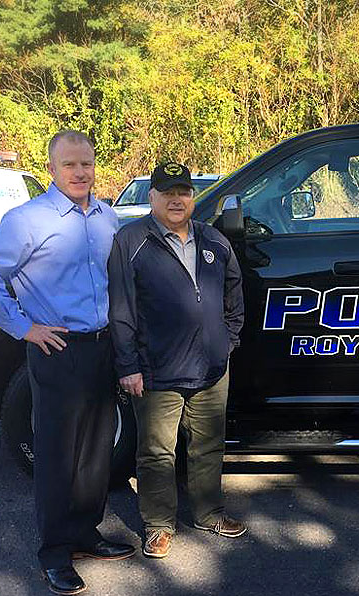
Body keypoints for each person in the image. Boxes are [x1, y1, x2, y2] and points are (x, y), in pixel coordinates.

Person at [0, 130, 135, 596]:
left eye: (87, 164)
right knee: (58, 455)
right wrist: (23, 328)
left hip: (102, 346)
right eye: (69, 165)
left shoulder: (106, 217)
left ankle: (84, 534)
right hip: (56, 349)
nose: (80, 172)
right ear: (52, 169)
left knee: (96, 449)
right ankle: (54, 553)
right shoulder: (28, 220)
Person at [108, 161, 245, 559]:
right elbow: (120, 309)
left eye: (183, 192)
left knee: (208, 446)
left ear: (191, 196)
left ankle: (209, 512)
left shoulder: (214, 241)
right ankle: (158, 525)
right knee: (155, 453)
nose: (176, 199)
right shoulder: (130, 241)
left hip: (211, 368)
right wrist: (128, 366)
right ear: (152, 197)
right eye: (167, 192)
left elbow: (234, 292)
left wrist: (227, 340)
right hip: (155, 372)